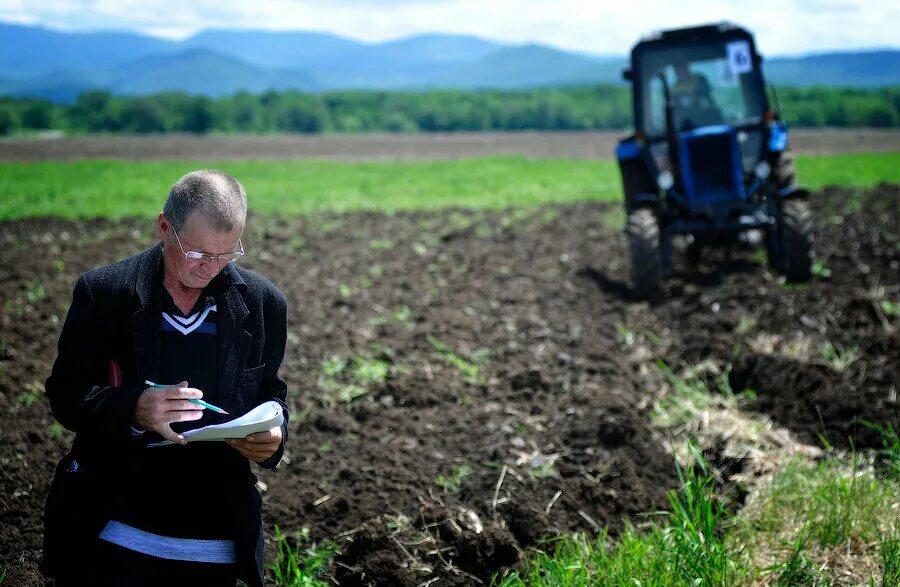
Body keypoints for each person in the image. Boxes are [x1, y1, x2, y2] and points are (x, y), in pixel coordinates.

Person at [40, 170, 289, 586]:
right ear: (164, 227)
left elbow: (272, 396)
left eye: (227, 255)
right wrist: (133, 408)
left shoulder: (265, 304)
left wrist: (273, 438)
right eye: (197, 254)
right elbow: (66, 393)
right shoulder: (105, 294)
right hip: (116, 535)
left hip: (216, 546)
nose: (210, 268)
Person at [671, 61, 722, 129]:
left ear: (687, 68)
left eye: (682, 68)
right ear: (675, 71)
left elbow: (707, 99)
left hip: (708, 119)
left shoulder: (699, 79)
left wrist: (695, 99)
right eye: (678, 69)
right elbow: (676, 113)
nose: (681, 71)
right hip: (687, 125)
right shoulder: (674, 90)